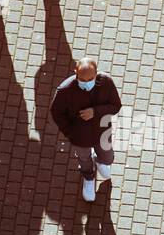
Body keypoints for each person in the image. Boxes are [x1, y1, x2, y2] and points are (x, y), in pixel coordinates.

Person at [50, 57, 122, 202]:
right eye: (83, 79)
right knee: (84, 159)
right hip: (79, 136)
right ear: (75, 72)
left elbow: (115, 106)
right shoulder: (65, 90)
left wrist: (95, 111)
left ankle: (100, 161)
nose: (87, 83)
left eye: (91, 78)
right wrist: (70, 132)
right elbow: (56, 112)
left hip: (102, 133)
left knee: (108, 157)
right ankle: (88, 178)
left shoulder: (106, 82)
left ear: (96, 73)